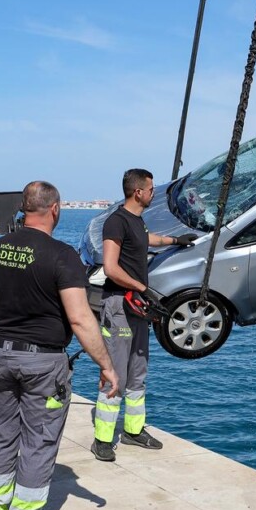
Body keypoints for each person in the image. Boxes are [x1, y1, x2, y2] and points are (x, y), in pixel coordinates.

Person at [0, 181, 118, 510]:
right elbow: (81, 319)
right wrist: (106, 365)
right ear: (55, 209)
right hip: (42, 362)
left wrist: (7, 332)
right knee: (39, 442)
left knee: (2, 434)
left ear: (25, 208)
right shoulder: (62, 255)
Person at [91, 168, 195, 462]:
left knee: (138, 371)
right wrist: (141, 287)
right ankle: (102, 438)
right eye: (150, 189)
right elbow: (110, 267)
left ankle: (133, 431)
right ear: (138, 192)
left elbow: (148, 240)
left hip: (137, 306)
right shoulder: (116, 222)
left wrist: (177, 242)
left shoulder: (137, 221)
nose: (153, 193)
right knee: (115, 375)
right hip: (119, 305)